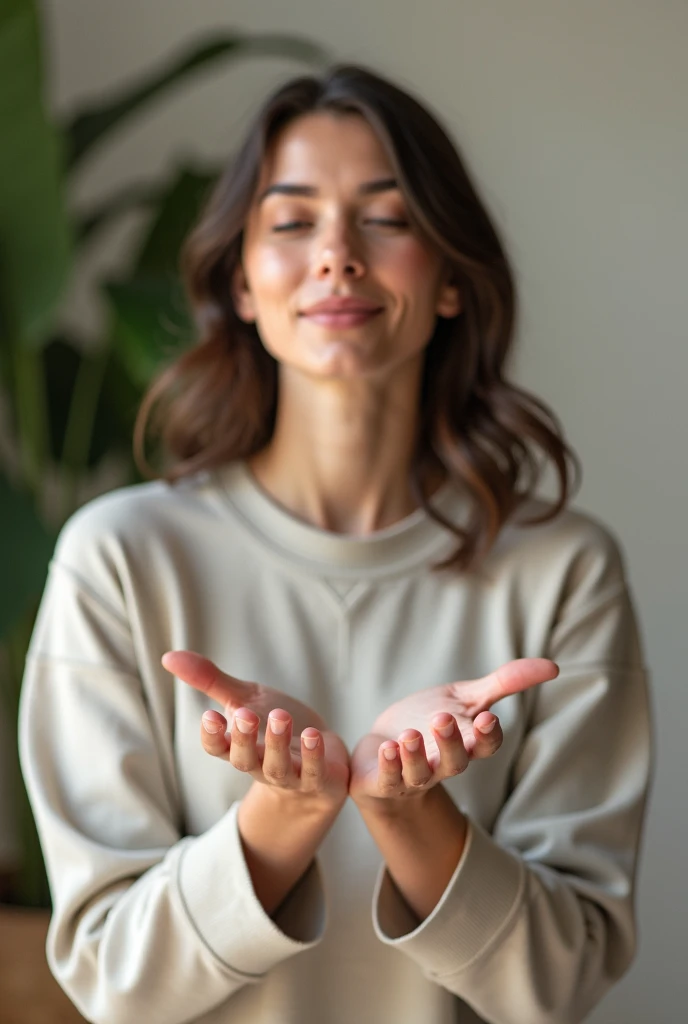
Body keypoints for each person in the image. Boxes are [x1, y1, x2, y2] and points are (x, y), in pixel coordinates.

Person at [19, 64, 652, 1024]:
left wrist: (408, 810)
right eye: (291, 220)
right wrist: (288, 809)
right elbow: (115, 981)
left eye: (387, 218)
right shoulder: (119, 555)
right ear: (241, 281)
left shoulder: (564, 570)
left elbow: (561, 982)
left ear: (448, 280)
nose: (338, 255)